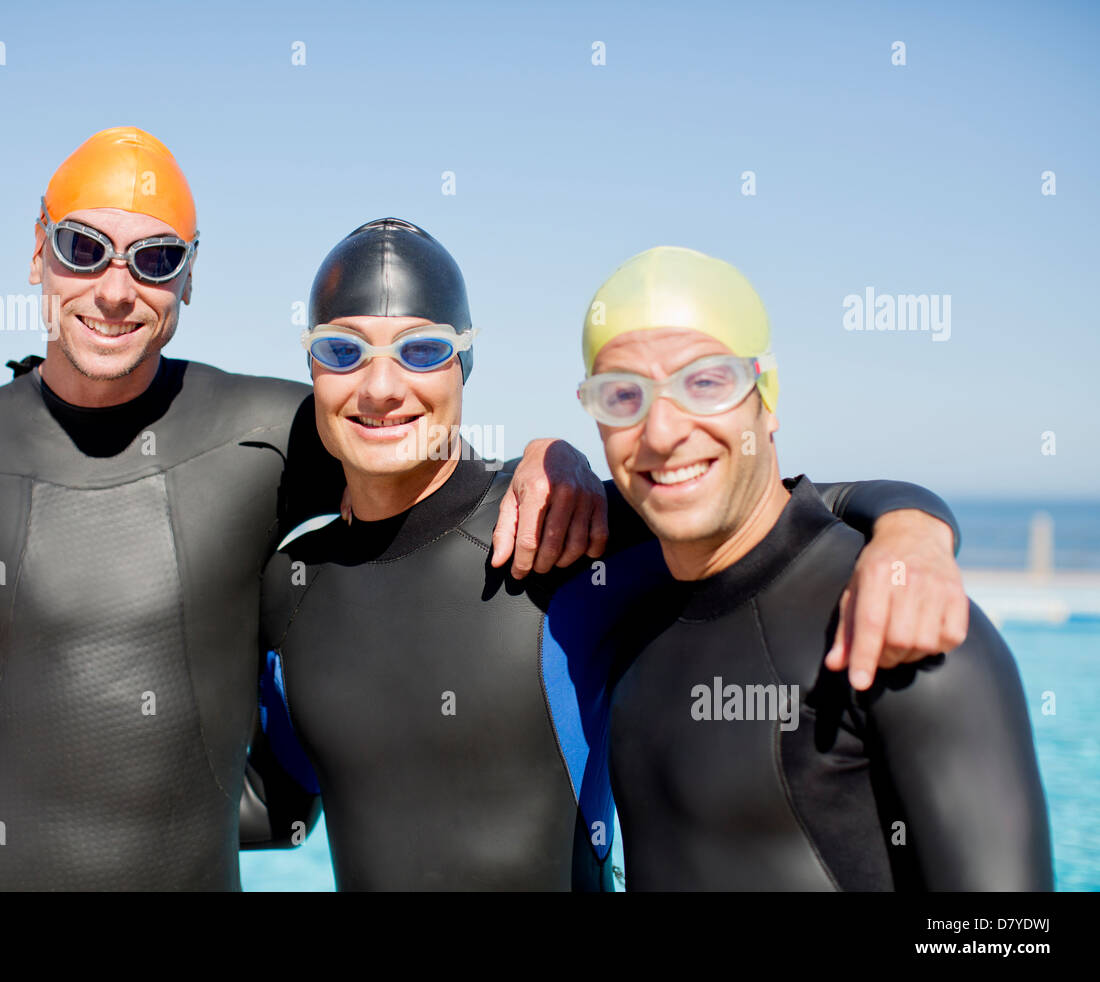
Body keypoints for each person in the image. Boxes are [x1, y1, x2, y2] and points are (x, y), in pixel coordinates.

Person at [0, 129, 607, 891]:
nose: (115, 290)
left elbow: (411, 448)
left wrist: (549, 458)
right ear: (37, 251)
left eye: (155, 260)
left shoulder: (266, 433)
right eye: (82, 248)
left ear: (189, 277)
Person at [252, 220, 972, 890]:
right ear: (311, 365)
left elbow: (773, 513)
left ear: (464, 363)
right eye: (343, 351)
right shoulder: (293, 584)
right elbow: (280, 808)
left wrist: (913, 529)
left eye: (422, 349)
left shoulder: (562, 529)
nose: (381, 386)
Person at [577, 246, 1053, 890]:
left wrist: (914, 527)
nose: (661, 433)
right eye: (623, 395)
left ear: (766, 398)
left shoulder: (899, 611)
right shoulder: (626, 604)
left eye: (705, 382)